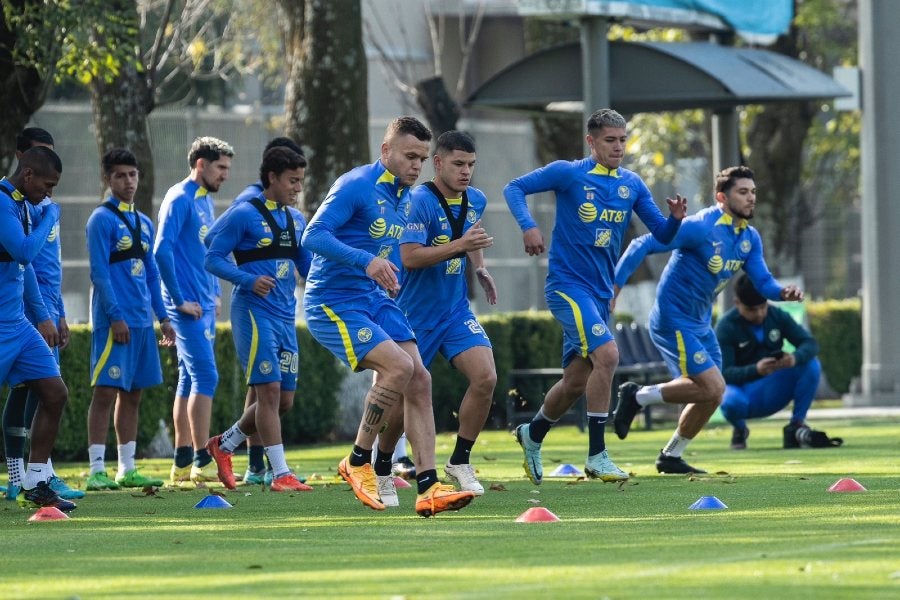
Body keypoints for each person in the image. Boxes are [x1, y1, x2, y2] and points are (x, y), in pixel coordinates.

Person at [302, 116, 475, 516]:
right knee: (398, 366)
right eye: (409, 156)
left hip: (373, 298)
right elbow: (313, 235)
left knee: (420, 377)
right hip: (333, 301)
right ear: (385, 151)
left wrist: (387, 272)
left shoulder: (403, 196)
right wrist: (366, 262)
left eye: (421, 158)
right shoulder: (356, 185)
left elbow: (384, 243)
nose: (416, 165)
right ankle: (358, 461)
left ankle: (429, 484)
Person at [503, 108, 686, 485]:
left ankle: (532, 433)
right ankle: (598, 455)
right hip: (568, 287)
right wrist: (529, 226)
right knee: (608, 355)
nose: (618, 147)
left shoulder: (632, 184)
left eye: (622, 140)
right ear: (592, 141)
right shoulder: (568, 173)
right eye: (610, 140)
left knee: (575, 382)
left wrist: (676, 220)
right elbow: (514, 188)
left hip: (600, 295)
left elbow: (661, 235)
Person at [613, 165, 804, 474]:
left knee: (712, 392)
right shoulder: (701, 226)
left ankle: (671, 456)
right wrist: (615, 287)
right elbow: (641, 244)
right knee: (712, 386)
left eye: (753, 192)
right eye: (743, 192)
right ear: (721, 197)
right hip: (673, 318)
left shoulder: (749, 238)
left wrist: (784, 293)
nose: (750, 198)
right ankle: (637, 395)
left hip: (700, 322)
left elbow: (764, 282)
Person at [393, 130, 497, 496]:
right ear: (437, 163)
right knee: (398, 399)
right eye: (458, 164)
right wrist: (462, 246)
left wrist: (480, 266)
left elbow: (472, 237)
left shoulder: (477, 200)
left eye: (470, 165)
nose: (466, 171)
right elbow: (409, 257)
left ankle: (461, 461)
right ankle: (380, 467)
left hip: (454, 311)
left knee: (486, 378)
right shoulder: (418, 201)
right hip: (412, 314)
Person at [204, 147, 313, 492]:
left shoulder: (296, 220)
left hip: (285, 315)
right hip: (253, 312)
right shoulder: (243, 215)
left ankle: (223, 445)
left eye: (301, 181)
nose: (298, 188)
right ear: (272, 178)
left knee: (284, 401)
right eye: (292, 181)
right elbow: (212, 258)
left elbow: (307, 266)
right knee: (267, 391)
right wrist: (247, 279)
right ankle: (281, 474)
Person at [84, 148, 176, 491]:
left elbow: (151, 275)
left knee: (133, 395)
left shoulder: (144, 223)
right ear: (108, 179)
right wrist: (115, 316)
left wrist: (163, 318)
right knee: (106, 392)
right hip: (115, 322)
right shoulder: (101, 220)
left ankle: (127, 468)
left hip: (141, 323)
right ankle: (96, 469)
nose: (128, 182)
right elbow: (99, 274)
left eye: (132, 175)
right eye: (120, 175)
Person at [2, 128, 81, 502]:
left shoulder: (22, 205)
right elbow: (23, 252)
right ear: (28, 174)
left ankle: (36, 481)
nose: (49, 194)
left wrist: (45, 316)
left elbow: (25, 271)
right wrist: (50, 216)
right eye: (47, 185)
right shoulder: (3, 202)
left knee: (55, 393)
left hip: (18, 324)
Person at [154, 136, 233, 487]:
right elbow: (161, 251)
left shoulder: (203, 201)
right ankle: (203, 457)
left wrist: (215, 292)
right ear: (200, 165)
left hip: (202, 303)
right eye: (221, 167)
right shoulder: (179, 198)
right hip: (186, 306)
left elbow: (205, 251)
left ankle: (182, 462)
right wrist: (177, 301)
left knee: (189, 378)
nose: (225, 175)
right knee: (207, 377)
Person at [716, 274, 829, 450]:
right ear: (737, 303)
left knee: (810, 364)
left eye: (763, 307)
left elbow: (810, 343)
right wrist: (756, 370)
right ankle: (740, 429)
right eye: (752, 310)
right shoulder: (726, 326)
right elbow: (724, 374)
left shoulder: (777, 316)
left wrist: (794, 358)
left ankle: (796, 424)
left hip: (773, 387)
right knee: (729, 401)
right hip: (744, 393)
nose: (759, 314)